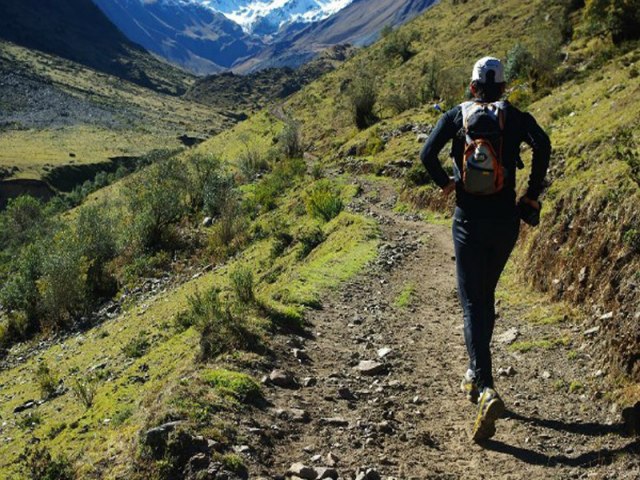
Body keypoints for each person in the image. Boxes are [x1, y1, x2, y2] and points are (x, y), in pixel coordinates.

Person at [419, 56, 551, 441]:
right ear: (503, 86)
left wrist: (446, 184)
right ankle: (474, 372)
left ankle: (485, 385)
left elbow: (426, 155)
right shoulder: (515, 116)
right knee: (485, 295)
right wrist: (530, 195)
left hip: (468, 221)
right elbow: (543, 145)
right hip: (505, 223)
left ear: (474, 85)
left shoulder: (456, 116)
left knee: (472, 302)